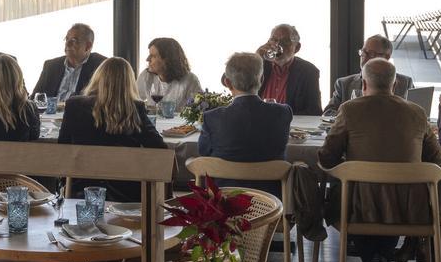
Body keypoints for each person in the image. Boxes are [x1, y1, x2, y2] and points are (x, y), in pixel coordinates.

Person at [318, 58, 441, 262]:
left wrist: (350, 167)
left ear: (363, 84)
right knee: (388, 193)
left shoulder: (350, 109)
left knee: (355, 191)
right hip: (410, 209)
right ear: (395, 85)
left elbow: (327, 157)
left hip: (358, 207)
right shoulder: (417, 113)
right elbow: (438, 161)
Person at [59, 57, 167, 202]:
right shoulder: (134, 108)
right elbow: (160, 149)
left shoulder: (74, 105)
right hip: (126, 191)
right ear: (129, 82)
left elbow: (63, 148)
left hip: (81, 188)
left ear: (98, 77)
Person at [197, 52, 292, 197]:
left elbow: (204, 153)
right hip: (271, 200)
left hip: (224, 200)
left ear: (228, 83)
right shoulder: (283, 113)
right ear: (261, 79)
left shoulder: (212, 118)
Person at [325, 35, 414, 116]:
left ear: (387, 57)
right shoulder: (344, 84)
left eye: (371, 54)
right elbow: (328, 113)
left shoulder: (405, 83)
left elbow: (416, 115)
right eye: (363, 53)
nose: (365, 58)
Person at [257, 24, 322, 116]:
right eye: (274, 40)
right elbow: (237, 88)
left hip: (290, 127)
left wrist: (283, 118)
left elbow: (314, 111)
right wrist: (255, 58)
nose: (277, 45)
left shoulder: (308, 71)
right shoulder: (259, 65)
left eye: (285, 42)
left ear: (297, 47)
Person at [32, 23, 107, 103]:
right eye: (67, 39)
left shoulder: (101, 66)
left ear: (88, 46)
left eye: (74, 41)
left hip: (80, 114)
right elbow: (35, 98)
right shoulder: (51, 66)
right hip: (48, 114)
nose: (67, 44)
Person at [136, 38, 202, 111]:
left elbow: (198, 110)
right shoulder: (146, 76)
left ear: (167, 60)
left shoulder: (190, 80)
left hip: (179, 122)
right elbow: (133, 101)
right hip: (152, 122)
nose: (148, 59)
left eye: (153, 56)